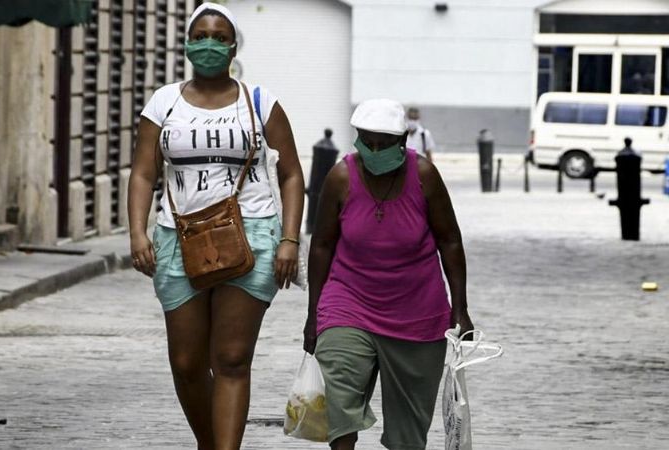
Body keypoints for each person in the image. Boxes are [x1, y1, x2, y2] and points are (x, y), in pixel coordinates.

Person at [127, 3, 305, 449]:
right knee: (187, 362)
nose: (208, 44)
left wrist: (289, 239)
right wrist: (137, 231)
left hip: (253, 237)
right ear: (187, 44)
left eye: (218, 36)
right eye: (200, 35)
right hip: (178, 238)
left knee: (230, 358)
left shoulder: (260, 102)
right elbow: (144, 172)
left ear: (232, 45)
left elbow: (292, 174)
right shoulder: (163, 102)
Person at [303, 99, 474, 450]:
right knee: (339, 403)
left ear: (404, 140)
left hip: (417, 314)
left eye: (385, 143)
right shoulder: (340, 177)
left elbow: (450, 241)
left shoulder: (424, 175)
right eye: (368, 142)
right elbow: (321, 246)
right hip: (348, 303)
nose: (376, 150)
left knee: (407, 436)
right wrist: (313, 314)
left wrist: (461, 308)